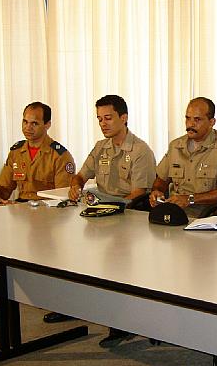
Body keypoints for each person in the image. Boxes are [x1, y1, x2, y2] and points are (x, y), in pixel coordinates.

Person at [44, 94, 156, 349]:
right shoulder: (100, 147)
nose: (103, 124)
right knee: (72, 253)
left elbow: (139, 194)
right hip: (100, 215)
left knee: (115, 271)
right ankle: (73, 305)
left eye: (108, 118)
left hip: (129, 219)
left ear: (123, 118)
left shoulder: (140, 150)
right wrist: (75, 185)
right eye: (99, 119)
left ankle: (121, 325)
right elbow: (82, 174)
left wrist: (111, 208)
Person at [0, 101, 76, 306]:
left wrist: (23, 208)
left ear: (47, 125)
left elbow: (63, 201)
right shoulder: (16, 151)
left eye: (34, 123)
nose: (28, 127)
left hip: (46, 214)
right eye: (25, 122)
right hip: (18, 208)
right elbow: (4, 187)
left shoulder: (60, 155)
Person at [149, 97, 217, 218]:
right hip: (173, 212)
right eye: (187, 118)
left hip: (205, 215)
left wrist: (190, 199)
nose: (190, 124)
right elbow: (161, 179)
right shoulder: (176, 146)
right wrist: (157, 191)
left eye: (197, 119)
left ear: (211, 122)